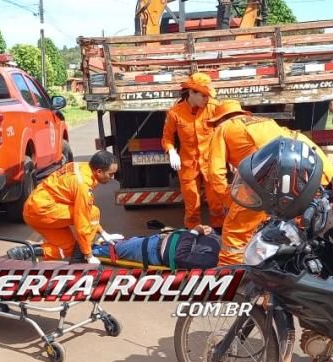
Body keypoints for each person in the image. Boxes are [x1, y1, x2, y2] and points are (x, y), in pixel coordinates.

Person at [207, 100, 333, 265]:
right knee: (297, 230)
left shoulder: (223, 128)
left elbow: (214, 173)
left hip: (267, 181)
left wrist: (230, 200)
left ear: (219, 119)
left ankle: (235, 279)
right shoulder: (264, 121)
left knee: (234, 235)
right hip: (308, 175)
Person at [11, 151, 122, 264]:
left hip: (36, 208)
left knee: (69, 248)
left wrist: (103, 233)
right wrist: (88, 255)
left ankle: (26, 252)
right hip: (42, 211)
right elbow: (83, 221)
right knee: (93, 212)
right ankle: (78, 260)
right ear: (99, 171)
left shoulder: (80, 167)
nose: (112, 178)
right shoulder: (83, 185)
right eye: (110, 174)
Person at [162, 73, 225, 230]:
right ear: (191, 93)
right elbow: (167, 138)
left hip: (211, 163)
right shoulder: (175, 113)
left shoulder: (214, 108)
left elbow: (227, 132)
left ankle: (219, 231)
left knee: (217, 202)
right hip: (188, 164)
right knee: (192, 205)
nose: (206, 99)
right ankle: (193, 234)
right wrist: (171, 151)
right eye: (203, 95)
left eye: (207, 95)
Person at [91, 224, 221, 270]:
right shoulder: (218, 242)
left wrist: (194, 232)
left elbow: (181, 257)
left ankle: (86, 252)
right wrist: (207, 229)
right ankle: (96, 244)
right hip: (157, 241)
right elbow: (209, 234)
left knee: (113, 250)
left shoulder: (211, 260)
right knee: (123, 242)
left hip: (152, 251)